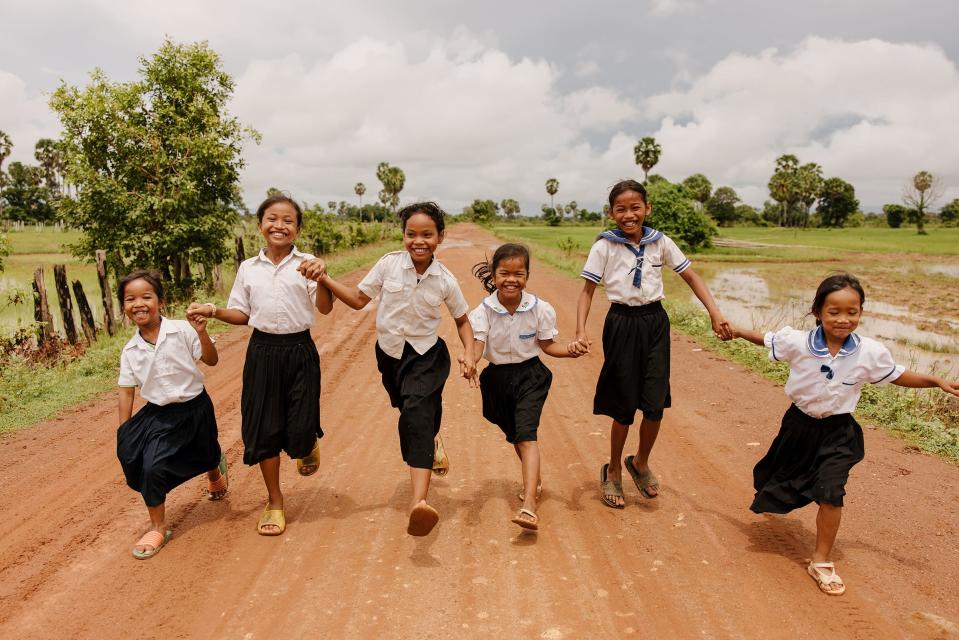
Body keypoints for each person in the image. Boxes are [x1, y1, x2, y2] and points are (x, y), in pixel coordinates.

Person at [729, 273, 959, 595]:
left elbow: (897, 375)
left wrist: (936, 382)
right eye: (834, 312)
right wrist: (736, 331)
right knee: (776, 477)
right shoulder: (797, 342)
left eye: (852, 312)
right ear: (818, 312)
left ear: (861, 313)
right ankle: (775, 490)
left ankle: (821, 561)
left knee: (831, 491)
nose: (843, 319)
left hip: (839, 432)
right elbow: (767, 339)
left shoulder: (870, 352)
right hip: (799, 426)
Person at [311, 202, 476, 537]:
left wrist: (470, 353)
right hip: (390, 356)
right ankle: (431, 438)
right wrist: (325, 278)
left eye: (427, 234)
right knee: (411, 413)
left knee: (416, 414)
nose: (419, 241)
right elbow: (359, 300)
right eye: (411, 234)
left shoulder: (445, 279)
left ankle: (419, 502)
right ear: (403, 235)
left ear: (440, 237)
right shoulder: (388, 265)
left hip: (428, 357)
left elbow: (462, 320)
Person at [575, 178, 731, 509]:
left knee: (655, 404)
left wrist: (714, 313)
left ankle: (640, 462)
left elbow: (691, 276)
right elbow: (588, 290)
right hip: (621, 324)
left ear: (647, 208)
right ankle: (614, 468)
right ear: (611, 213)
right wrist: (580, 330)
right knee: (623, 406)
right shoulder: (605, 245)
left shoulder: (660, 242)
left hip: (655, 323)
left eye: (635, 207)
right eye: (621, 209)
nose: (629, 215)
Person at [187, 194, 333, 536]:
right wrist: (213, 311)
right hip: (262, 352)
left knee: (300, 424)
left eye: (288, 220)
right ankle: (275, 501)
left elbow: (324, 309)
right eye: (272, 218)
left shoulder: (309, 263)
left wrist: (323, 277)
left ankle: (306, 440)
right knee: (264, 428)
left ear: (297, 229)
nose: (279, 225)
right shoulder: (248, 268)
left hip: (300, 350)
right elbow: (242, 314)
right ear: (259, 225)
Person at [462, 243, 587, 531]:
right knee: (518, 437)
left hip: (531, 376)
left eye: (519, 273)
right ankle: (536, 480)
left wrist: (570, 349)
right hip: (497, 381)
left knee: (527, 435)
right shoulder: (482, 312)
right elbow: (478, 346)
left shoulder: (540, 309)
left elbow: (547, 345)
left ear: (527, 276)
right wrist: (469, 360)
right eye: (504, 273)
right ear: (493, 275)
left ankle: (529, 503)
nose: (511, 279)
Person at [116, 270, 227, 559]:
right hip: (159, 416)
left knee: (206, 451)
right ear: (124, 307)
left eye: (146, 297)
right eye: (130, 299)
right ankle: (157, 526)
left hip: (196, 406)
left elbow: (212, 360)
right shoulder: (130, 351)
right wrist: (124, 430)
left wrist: (202, 333)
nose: (138, 304)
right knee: (150, 466)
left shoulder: (183, 330)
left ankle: (215, 470)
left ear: (161, 301)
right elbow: (126, 390)